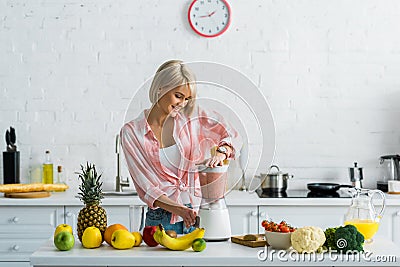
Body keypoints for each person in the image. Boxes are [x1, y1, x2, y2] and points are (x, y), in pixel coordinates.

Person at [120, 60, 241, 234]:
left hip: (198, 214)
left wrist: (222, 153)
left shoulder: (192, 118)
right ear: (160, 88)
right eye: (178, 96)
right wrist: (180, 211)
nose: (182, 104)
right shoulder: (132, 133)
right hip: (161, 220)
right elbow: (146, 187)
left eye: (187, 99)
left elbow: (230, 134)